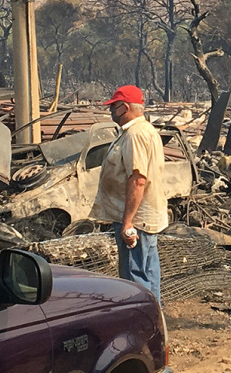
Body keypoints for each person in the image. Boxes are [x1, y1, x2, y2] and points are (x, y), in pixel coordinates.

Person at [92, 85, 167, 304]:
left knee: (134, 278)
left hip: (137, 219)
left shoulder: (135, 135)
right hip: (144, 217)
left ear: (124, 107)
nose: (110, 111)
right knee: (148, 271)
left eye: (113, 106)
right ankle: (154, 316)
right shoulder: (144, 130)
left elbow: (138, 180)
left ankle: (141, 318)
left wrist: (127, 222)